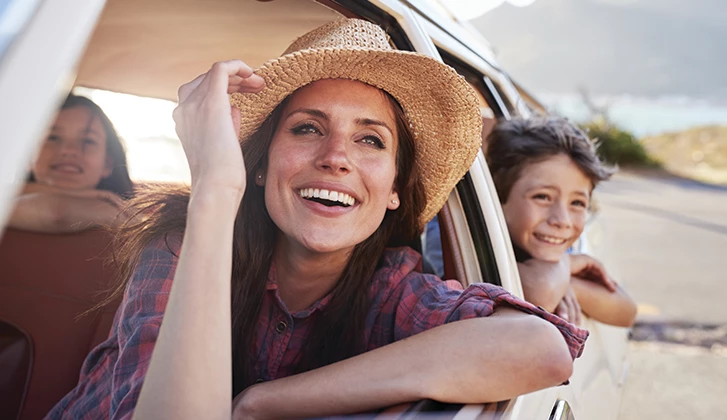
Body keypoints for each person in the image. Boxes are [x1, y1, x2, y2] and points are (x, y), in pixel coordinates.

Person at [47, 19, 589, 420]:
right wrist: (215, 189)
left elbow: (540, 348)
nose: (336, 156)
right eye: (307, 128)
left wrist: (261, 403)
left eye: (370, 139)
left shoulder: (391, 289)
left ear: (396, 189)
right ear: (259, 167)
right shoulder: (179, 246)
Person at [486, 116, 638, 328]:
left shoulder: (548, 243)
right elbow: (542, 294)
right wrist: (566, 265)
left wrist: (567, 282)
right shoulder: (471, 244)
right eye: (542, 197)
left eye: (577, 202)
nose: (562, 221)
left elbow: (627, 311)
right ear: (497, 198)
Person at [8, 94, 134, 233]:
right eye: (52, 137)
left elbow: (57, 213)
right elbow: (56, 214)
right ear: (28, 156)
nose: (68, 150)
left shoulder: (129, 217)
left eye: (88, 141)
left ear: (107, 164)